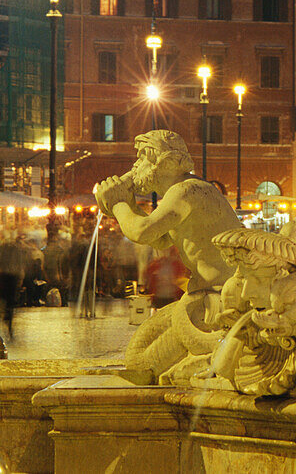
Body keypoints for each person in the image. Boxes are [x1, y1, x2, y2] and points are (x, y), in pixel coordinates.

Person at [93, 129, 238, 381]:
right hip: (200, 298)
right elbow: (159, 238)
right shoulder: (187, 191)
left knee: (140, 363)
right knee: (139, 350)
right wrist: (127, 203)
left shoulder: (186, 191)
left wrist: (118, 203)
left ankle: (204, 362)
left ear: (167, 163)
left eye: (143, 159)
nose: (136, 166)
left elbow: (142, 231)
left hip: (215, 304)